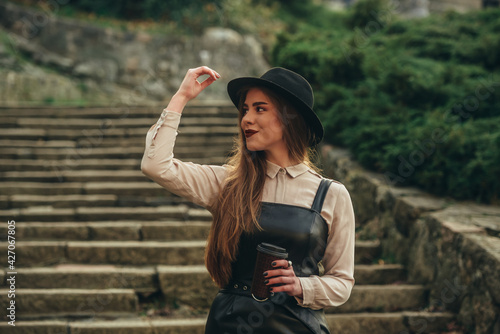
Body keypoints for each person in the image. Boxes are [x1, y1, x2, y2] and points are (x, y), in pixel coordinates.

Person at [141, 66, 355, 334]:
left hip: (297, 326)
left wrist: (301, 285)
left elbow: (342, 282)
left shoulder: (332, 194)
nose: (246, 119)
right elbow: (155, 165)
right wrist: (181, 97)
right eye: (244, 110)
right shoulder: (227, 184)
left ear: (290, 117)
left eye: (259, 109)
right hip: (230, 324)